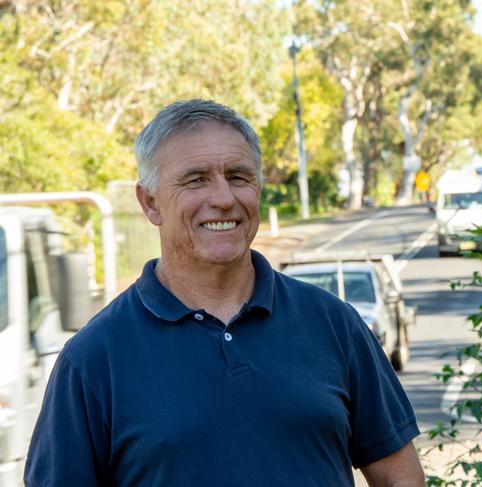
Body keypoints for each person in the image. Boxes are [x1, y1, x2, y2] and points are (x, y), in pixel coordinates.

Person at [24, 99, 425, 486]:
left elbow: (399, 476)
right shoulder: (94, 359)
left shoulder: (333, 323)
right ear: (150, 203)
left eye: (238, 176)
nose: (223, 199)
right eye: (195, 180)